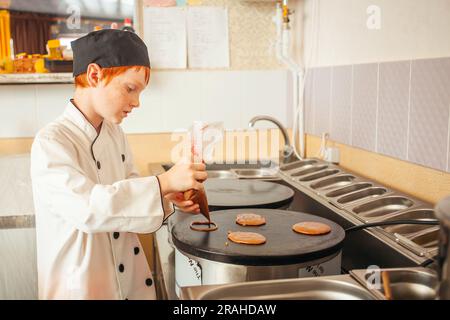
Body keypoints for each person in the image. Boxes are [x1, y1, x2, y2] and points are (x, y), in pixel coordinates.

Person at [30, 29, 206, 300]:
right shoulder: (51, 142)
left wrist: (167, 196)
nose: (136, 102)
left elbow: (128, 192)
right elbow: (88, 209)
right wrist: (164, 182)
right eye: (130, 88)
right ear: (94, 75)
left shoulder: (114, 133)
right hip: (79, 287)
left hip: (127, 284)